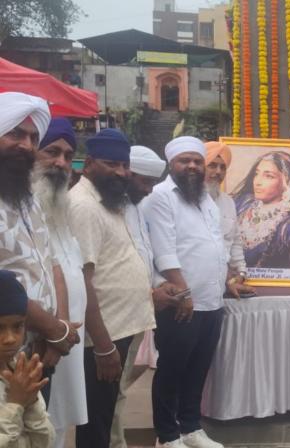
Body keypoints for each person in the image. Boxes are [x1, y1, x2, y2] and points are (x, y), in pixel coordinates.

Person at [143, 136, 237, 448]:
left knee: (198, 368)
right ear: (172, 164)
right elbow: (164, 250)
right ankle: (167, 435)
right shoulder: (160, 197)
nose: (193, 166)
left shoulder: (205, 198)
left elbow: (216, 245)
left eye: (197, 161)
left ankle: (191, 428)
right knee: (172, 368)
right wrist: (183, 293)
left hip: (211, 301)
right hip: (180, 302)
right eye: (186, 161)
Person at [68, 128, 156, 448]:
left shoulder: (108, 199)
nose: (121, 172)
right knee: (96, 420)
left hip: (120, 327)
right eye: (111, 164)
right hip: (102, 336)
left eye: (124, 165)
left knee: (104, 414)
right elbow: (82, 279)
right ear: (89, 163)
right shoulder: (84, 206)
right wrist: (103, 346)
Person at [0, 92, 81, 399]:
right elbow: (5, 286)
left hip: (38, 352)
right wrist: (55, 330)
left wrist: (57, 329)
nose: (26, 145)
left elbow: (52, 264)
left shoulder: (27, 196)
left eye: (34, 137)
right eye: (15, 133)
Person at [109, 145, 175, 448]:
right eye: (145, 182)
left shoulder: (135, 206)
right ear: (127, 174)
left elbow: (144, 255)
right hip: (112, 316)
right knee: (111, 390)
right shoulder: (107, 206)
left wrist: (159, 284)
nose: (149, 190)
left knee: (120, 389)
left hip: (136, 311)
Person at [30, 118, 88, 447]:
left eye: (68, 155)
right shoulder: (19, 203)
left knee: (56, 426)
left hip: (61, 343)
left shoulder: (60, 209)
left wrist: (62, 328)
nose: (61, 163)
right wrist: (55, 329)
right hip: (28, 343)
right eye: (52, 151)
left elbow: (61, 271)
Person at [231, 151, 290, 269]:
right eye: (256, 174)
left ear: (288, 181)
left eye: (268, 176)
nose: (257, 182)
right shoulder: (242, 203)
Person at [0, 270, 55, 448]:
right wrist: (15, 404)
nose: (10, 338)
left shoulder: (20, 373)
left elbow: (45, 442)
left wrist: (30, 403)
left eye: (18, 326)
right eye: (0, 328)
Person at [204, 142, 254, 298]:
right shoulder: (190, 201)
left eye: (222, 167)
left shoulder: (228, 202)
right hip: (197, 287)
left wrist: (240, 272)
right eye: (212, 165)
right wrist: (229, 280)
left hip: (223, 288)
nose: (218, 172)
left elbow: (235, 240)